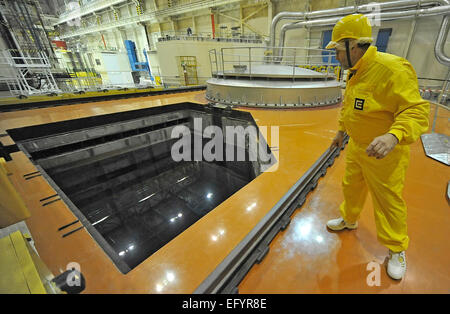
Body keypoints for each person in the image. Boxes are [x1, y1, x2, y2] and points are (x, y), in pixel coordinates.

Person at [325, 14, 430, 280]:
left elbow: (416, 112)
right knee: (351, 186)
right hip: (358, 147)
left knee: (388, 202)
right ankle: (349, 219)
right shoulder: (355, 71)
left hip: (386, 154)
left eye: (338, 49)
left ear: (353, 45)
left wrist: (393, 136)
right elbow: (350, 106)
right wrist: (341, 131)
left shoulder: (393, 69)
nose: (335, 56)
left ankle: (396, 249)